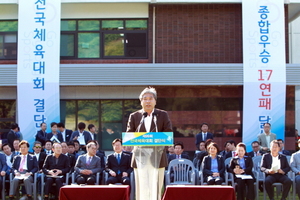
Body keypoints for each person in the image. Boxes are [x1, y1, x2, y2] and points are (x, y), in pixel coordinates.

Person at [126, 87, 172, 200]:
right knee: (141, 188)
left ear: (155, 101)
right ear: (141, 101)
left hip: (158, 156)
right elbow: (129, 135)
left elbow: (168, 134)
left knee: (156, 187)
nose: (147, 101)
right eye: (145, 99)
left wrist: (152, 138)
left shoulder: (162, 115)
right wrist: (143, 137)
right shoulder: (134, 116)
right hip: (139, 157)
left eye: (150, 98)